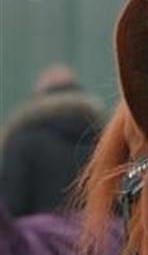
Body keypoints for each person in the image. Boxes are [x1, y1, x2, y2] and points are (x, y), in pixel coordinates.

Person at [0, 64, 105, 217]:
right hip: (98, 238)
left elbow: (12, 206)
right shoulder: (103, 140)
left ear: (39, 95)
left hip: (40, 240)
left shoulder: (23, 142)